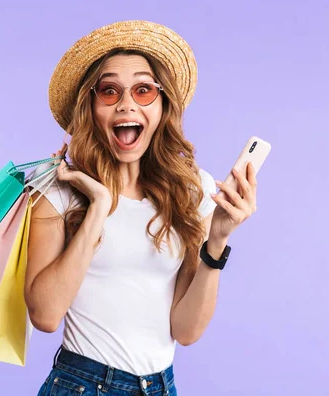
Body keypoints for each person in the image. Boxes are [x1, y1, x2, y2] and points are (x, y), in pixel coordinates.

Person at [25, 20, 258, 396]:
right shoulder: (59, 186)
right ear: (91, 106)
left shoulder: (189, 188)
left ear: (163, 105)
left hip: (161, 386)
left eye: (144, 90)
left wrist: (216, 240)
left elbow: (186, 330)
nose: (127, 103)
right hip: (82, 385)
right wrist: (99, 205)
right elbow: (46, 316)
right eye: (110, 91)